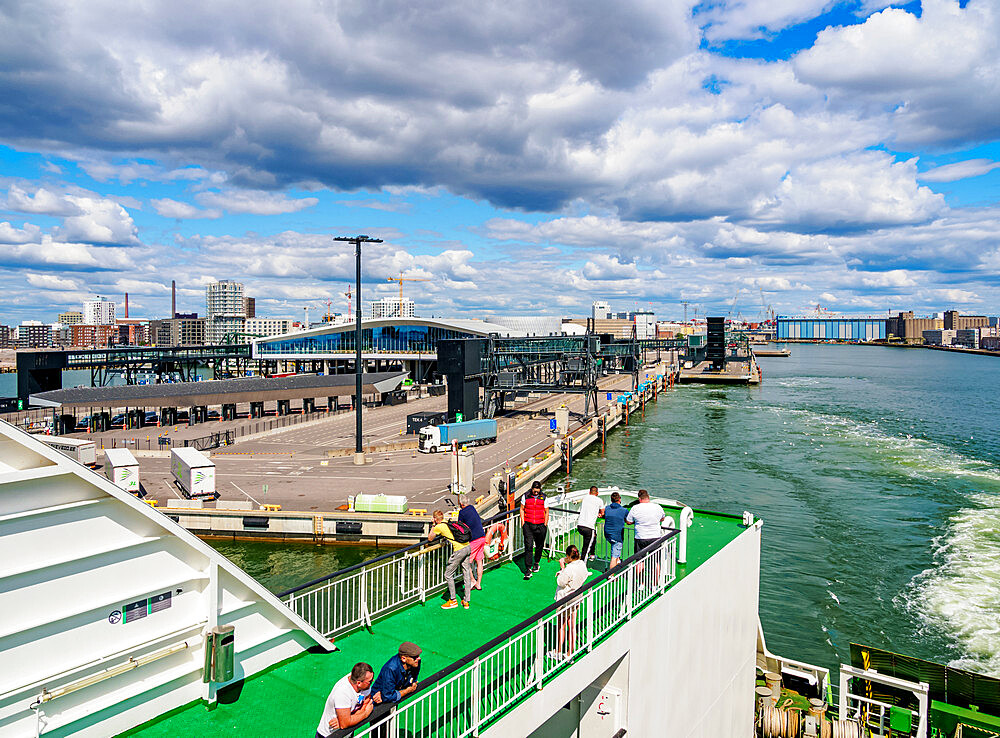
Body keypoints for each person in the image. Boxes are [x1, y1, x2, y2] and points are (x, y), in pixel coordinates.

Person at [368, 642, 421, 736]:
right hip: (378, 703)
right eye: (415, 657)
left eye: (418, 656)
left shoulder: (415, 663)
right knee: (379, 731)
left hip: (390, 696)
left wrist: (391, 693)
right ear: (404, 658)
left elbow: (413, 680)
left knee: (389, 724)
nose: (418, 658)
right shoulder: (391, 668)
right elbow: (388, 696)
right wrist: (408, 690)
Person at [316, 662, 375, 737]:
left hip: (347, 733)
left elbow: (366, 703)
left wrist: (347, 719)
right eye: (370, 681)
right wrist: (365, 714)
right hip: (329, 735)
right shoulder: (342, 693)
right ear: (359, 683)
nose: (373, 681)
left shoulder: (363, 684)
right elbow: (345, 724)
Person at [428, 509, 472, 609]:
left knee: (448, 574)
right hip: (467, 547)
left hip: (459, 550)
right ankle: (466, 601)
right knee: (466, 573)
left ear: (435, 519)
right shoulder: (448, 522)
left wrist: (433, 525)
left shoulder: (439, 526)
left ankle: (453, 600)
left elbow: (430, 538)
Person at [552, 544, 588, 659]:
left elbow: (560, 582)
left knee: (561, 626)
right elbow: (584, 575)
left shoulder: (569, 568)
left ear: (568, 556)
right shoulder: (582, 564)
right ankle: (570, 652)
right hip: (576, 597)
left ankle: (558, 651)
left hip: (565, 599)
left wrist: (562, 568)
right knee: (572, 626)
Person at [520, 480, 548, 580]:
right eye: (534, 490)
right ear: (532, 489)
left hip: (540, 525)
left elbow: (546, 511)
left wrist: (545, 524)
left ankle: (536, 562)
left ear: (540, 489)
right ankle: (528, 569)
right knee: (528, 546)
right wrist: (523, 522)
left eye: (537, 490)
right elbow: (522, 509)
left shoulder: (544, 497)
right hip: (528, 525)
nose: (536, 492)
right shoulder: (526, 496)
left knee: (539, 546)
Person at [458, 497, 487, 590]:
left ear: (461, 504)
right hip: (482, 536)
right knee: (479, 561)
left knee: (466, 561)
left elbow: (460, 526)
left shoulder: (462, 513)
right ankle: (478, 583)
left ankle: (472, 580)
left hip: (474, 539)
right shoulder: (472, 508)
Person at [625, 489, 666, 553]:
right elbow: (662, 518)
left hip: (641, 537)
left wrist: (636, 521)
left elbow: (628, 522)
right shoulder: (658, 507)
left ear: (639, 499)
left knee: (640, 560)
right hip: (655, 536)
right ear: (648, 497)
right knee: (656, 560)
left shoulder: (635, 508)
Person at [575, 486, 604, 560]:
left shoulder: (585, 498)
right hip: (589, 527)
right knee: (586, 549)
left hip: (580, 525)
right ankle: (583, 566)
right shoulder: (599, 500)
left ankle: (592, 554)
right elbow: (602, 512)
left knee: (593, 536)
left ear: (589, 492)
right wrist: (600, 514)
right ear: (597, 493)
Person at [602, 491, 628, 568]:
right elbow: (628, 520)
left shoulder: (607, 508)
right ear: (619, 499)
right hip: (617, 536)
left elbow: (604, 514)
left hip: (607, 534)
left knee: (615, 549)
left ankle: (618, 560)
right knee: (614, 555)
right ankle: (611, 575)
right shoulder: (624, 510)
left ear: (611, 500)